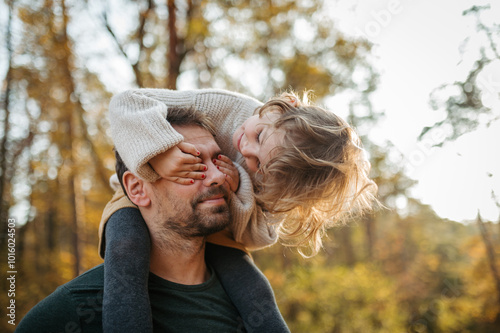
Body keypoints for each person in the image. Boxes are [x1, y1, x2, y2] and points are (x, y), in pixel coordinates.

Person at [101, 88, 377, 332]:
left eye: (257, 162)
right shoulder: (224, 106)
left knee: (252, 289)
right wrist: (162, 152)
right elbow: (129, 102)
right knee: (126, 247)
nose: (245, 148)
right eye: (259, 135)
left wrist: (238, 189)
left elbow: (258, 236)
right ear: (287, 105)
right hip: (142, 194)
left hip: (217, 220)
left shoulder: (279, 178)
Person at [16, 107, 288, 332]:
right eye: (192, 164)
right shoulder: (69, 314)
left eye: (217, 159)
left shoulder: (251, 306)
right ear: (137, 189)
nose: (217, 176)